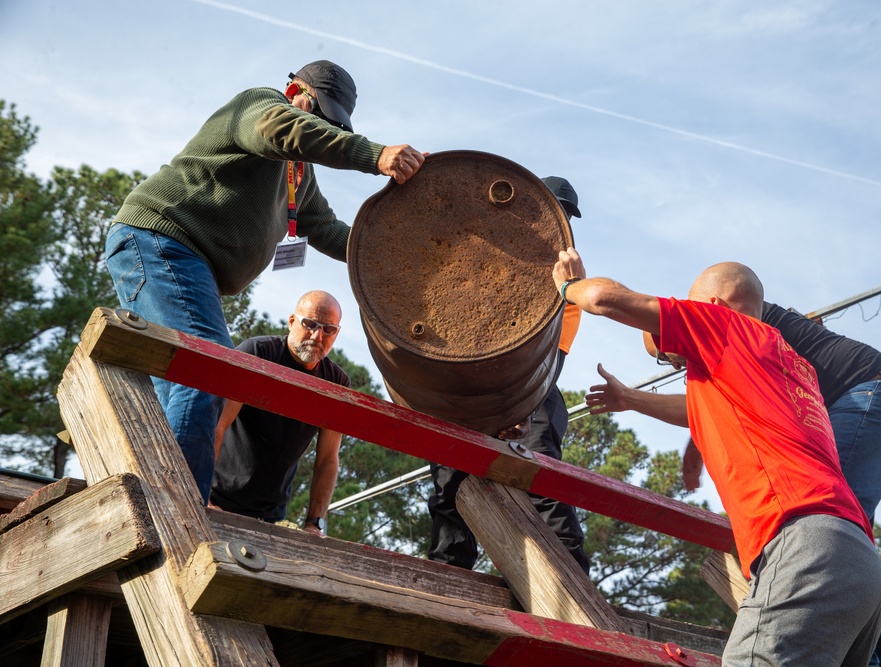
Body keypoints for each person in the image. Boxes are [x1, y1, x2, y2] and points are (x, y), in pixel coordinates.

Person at [104, 60, 425, 503]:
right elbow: (284, 130)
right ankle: (175, 510)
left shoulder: (298, 175)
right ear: (297, 92)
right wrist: (374, 155)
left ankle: (147, 491)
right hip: (159, 240)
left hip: (188, 265)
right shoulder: (260, 107)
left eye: (332, 125)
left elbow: (326, 228)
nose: (320, 128)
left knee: (186, 386)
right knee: (207, 372)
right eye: (319, 115)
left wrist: (389, 261)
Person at [558, 251, 881, 666]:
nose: (672, 357)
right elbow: (695, 409)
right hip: (860, 563)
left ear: (711, 306)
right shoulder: (789, 364)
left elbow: (605, 297)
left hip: (803, 545)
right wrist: (630, 400)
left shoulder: (723, 324)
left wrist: (570, 287)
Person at [426, 176, 589, 572]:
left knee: (540, 477)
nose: (557, 223)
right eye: (552, 212)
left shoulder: (569, 277)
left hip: (533, 384)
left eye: (564, 217)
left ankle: (571, 576)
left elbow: (555, 354)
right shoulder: (485, 252)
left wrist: (522, 398)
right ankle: (451, 571)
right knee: (451, 479)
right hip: (469, 383)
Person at [209, 291, 349, 536]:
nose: (318, 336)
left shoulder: (336, 382)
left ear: (336, 333)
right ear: (292, 322)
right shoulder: (258, 353)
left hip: (268, 516)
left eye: (328, 330)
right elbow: (216, 425)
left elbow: (328, 459)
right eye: (310, 324)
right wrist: (200, 495)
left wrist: (314, 524)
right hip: (215, 499)